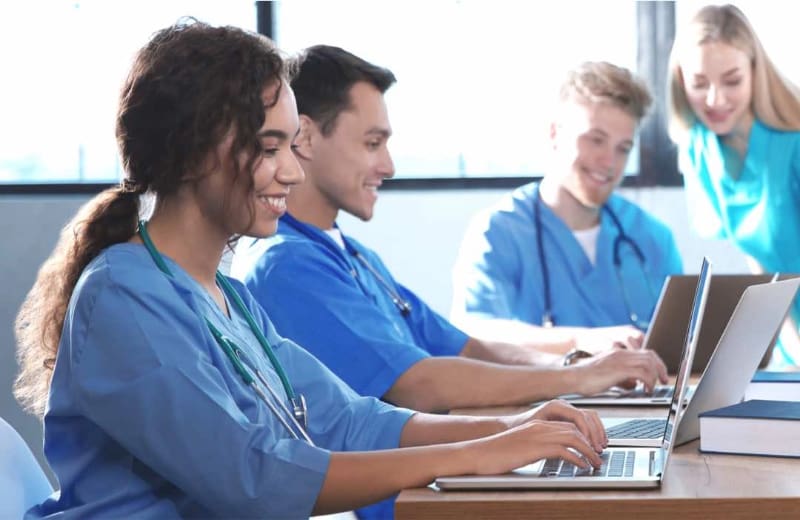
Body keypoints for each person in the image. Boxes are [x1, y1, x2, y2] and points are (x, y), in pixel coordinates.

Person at [13, 20, 609, 520]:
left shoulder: (229, 298)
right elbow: (253, 477)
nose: (292, 174)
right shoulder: (124, 297)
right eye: (270, 148)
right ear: (196, 152)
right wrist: (475, 455)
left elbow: (348, 419)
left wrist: (512, 430)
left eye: (290, 148)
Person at [231, 45, 668, 417]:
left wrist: (580, 368)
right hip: (399, 499)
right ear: (304, 137)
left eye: (623, 148)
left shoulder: (356, 257)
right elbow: (418, 383)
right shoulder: (285, 265)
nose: (389, 166)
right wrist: (576, 376)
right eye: (372, 143)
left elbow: (464, 347)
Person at [449, 61, 683, 357]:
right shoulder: (498, 233)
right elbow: (477, 333)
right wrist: (580, 342)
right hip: (539, 401)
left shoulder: (650, 237)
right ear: (554, 134)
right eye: (595, 140)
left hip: (643, 402)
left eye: (622, 148)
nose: (609, 162)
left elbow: (682, 342)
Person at [667, 3, 800, 367]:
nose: (715, 100)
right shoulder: (699, 147)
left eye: (732, 81)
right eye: (699, 83)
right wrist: (785, 335)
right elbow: (760, 258)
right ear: (681, 80)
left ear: (756, 72)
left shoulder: (794, 141)